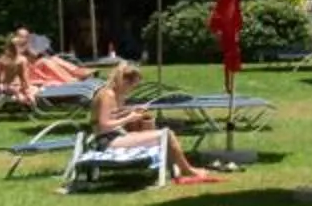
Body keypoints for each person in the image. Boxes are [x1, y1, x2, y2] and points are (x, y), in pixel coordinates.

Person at [90, 66, 218, 184]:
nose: (131, 90)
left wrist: (132, 111)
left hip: (114, 136)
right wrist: (130, 117)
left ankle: (178, 168)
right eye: (132, 86)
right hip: (108, 141)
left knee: (156, 129)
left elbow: (113, 114)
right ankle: (187, 170)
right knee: (166, 134)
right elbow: (104, 124)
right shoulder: (107, 95)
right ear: (124, 81)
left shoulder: (113, 93)